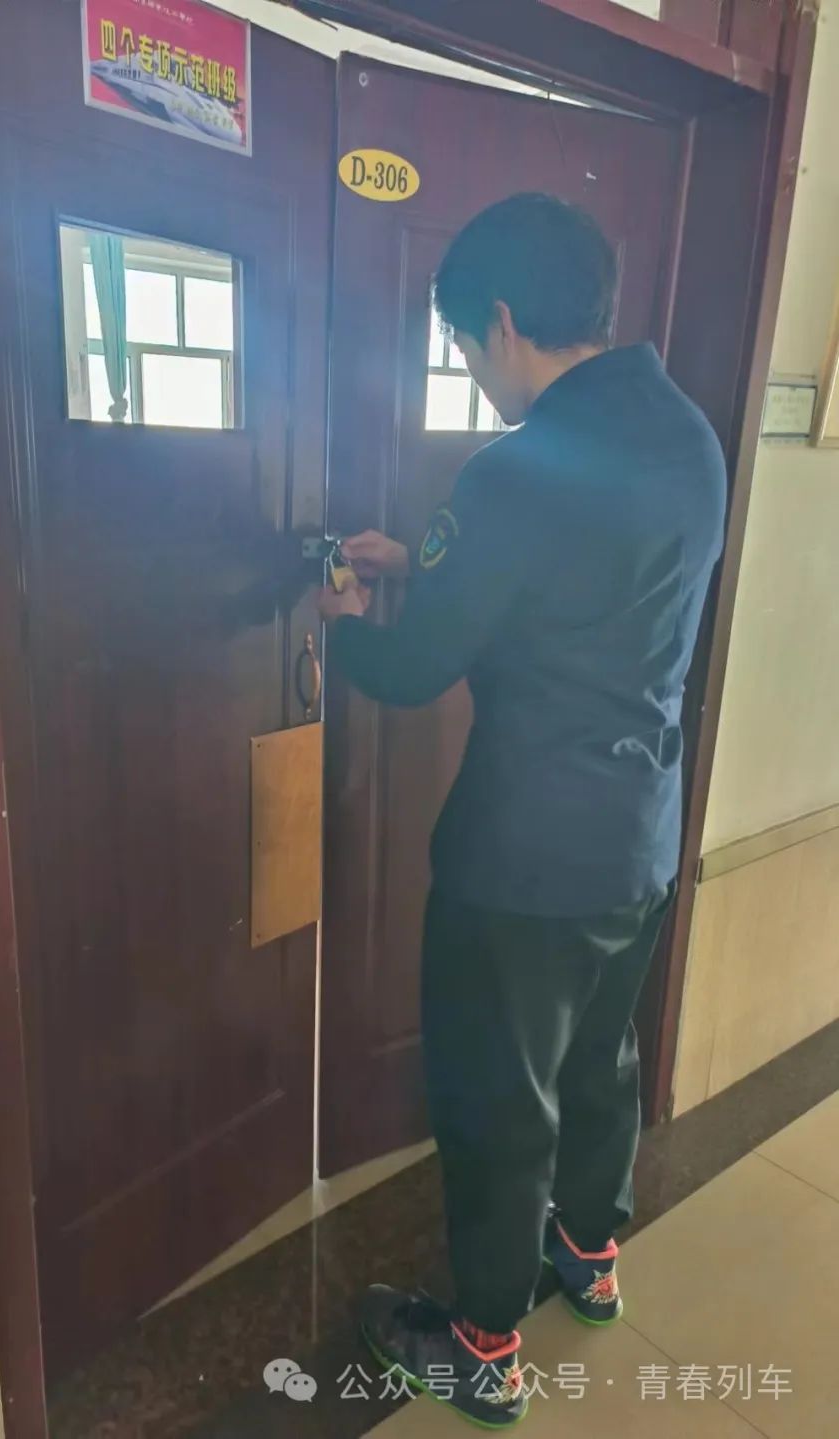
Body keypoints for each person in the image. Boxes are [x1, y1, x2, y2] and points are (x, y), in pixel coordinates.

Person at [318, 193, 727, 1429]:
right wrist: (425, 561)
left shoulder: (516, 469)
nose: (474, 374)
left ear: (499, 320)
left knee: (499, 1097)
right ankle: (592, 1256)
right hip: (638, 834)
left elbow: (413, 668)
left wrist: (347, 621)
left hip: (521, 860)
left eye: (463, 346)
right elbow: (581, 589)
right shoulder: (688, 436)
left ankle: (483, 1341)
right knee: (602, 1059)